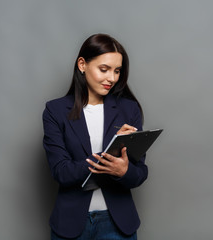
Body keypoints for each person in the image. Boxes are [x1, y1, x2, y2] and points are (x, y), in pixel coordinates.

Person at [42, 33, 148, 240]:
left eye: (117, 71)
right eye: (104, 69)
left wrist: (123, 170)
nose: (112, 78)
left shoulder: (129, 110)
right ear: (82, 64)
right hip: (70, 223)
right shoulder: (55, 111)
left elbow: (140, 173)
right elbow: (61, 171)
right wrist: (109, 154)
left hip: (118, 224)